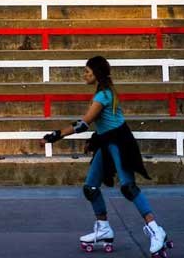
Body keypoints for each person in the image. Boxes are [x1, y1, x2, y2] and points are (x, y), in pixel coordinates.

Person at [39, 56, 173, 257]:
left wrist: (55, 136)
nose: (84, 75)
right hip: (106, 142)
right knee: (91, 188)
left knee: (128, 187)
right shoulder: (103, 93)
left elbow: (84, 123)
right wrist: (93, 141)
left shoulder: (103, 95)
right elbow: (102, 124)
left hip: (120, 143)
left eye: (87, 71)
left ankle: (156, 230)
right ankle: (103, 229)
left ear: (97, 74)